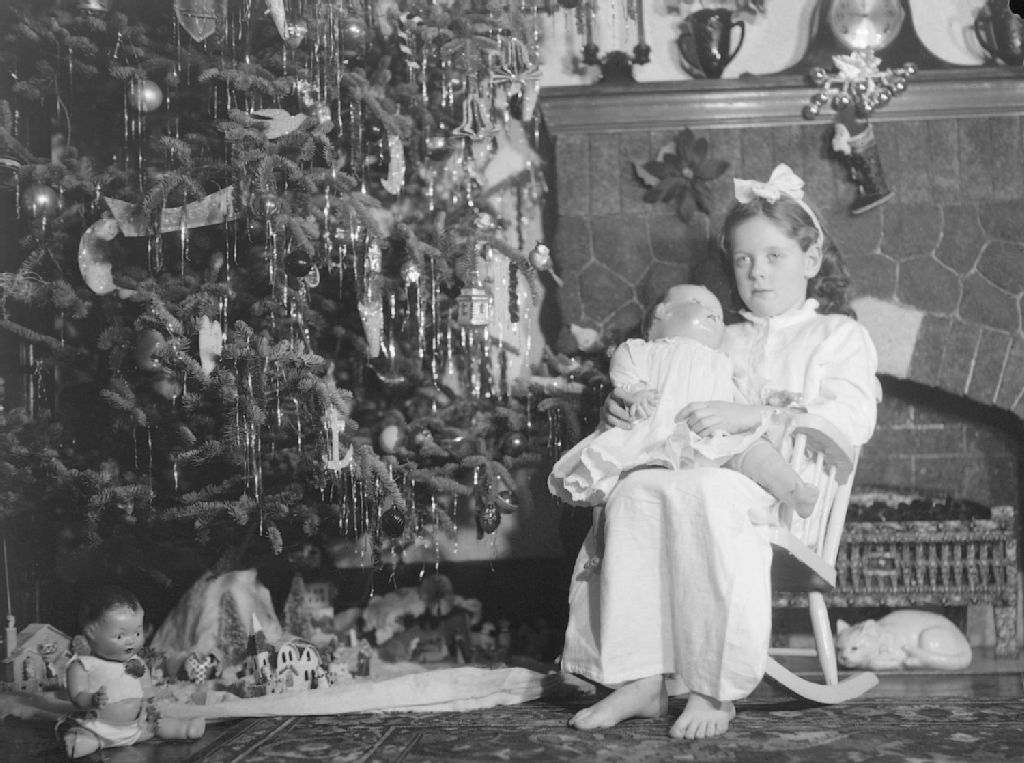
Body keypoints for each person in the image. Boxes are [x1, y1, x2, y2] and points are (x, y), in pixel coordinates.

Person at [560, 163, 880, 740]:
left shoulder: (836, 335)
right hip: (691, 473)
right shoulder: (718, 337)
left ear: (811, 259)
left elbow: (850, 420)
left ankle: (713, 687)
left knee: (708, 490)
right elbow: (661, 387)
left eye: (775, 256)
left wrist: (757, 416)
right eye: (744, 259)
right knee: (634, 491)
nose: (757, 272)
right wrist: (623, 408)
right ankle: (640, 676)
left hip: (788, 498)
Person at [547, 283, 818, 518]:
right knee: (626, 483)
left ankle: (793, 488)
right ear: (662, 312)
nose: (714, 315)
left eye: (719, 315)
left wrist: (767, 401)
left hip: (713, 437)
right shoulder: (641, 350)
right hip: (658, 433)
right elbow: (624, 373)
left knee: (755, 449)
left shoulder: (724, 361)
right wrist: (636, 392)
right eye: (700, 304)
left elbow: (745, 393)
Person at [59, 585, 206, 758]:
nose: (131, 641)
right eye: (120, 636)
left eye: (137, 633)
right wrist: (92, 699)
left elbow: (147, 689)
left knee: (159, 724)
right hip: (99, 727)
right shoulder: (84, 665)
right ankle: (85, 742)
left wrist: (149, 706)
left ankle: (184, 729)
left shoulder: (136, 662)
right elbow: (77, 696)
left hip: (137, 727)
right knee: (84, 736)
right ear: (91, 633)